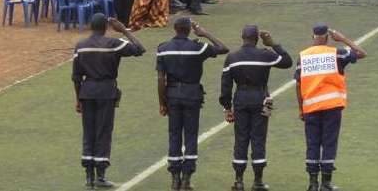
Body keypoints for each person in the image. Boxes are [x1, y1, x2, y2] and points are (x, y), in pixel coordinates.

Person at [72, 14, 146, 189]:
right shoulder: (113, 44)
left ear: (91, 26)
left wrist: (78, 99)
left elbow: (76, 77)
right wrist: (124, 31)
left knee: (88, 132)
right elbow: (140, 49)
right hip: (106, 92)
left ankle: (89, 178)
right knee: (103, 132)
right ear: (106, 28)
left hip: (87, 92)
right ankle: (101, 176)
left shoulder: (80, 46)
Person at [157, 17, 229, 190]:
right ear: (190, 30)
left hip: (172, 95)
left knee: (174, 135)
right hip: (192, 95)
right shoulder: (198, 47)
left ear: (174, 28)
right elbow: (223, 49)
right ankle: (187, 178)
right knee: (191, 135)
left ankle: (175, 179)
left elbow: (160, 79)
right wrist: (205, 34)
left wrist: (162, 102)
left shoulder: (163, 49)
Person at [220, 25, 293, 191]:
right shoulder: (265, 55)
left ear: (242, 37)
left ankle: (238, 181)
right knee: (258, 138)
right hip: (259, 98)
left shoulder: (232, 57)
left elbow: (225, 85)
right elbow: (287, 62)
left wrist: (227, 107)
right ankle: (258, 181)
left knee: (241, 139)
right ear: (257, 38)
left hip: (240, 98)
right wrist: (274, 44)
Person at [295, 24, 367, 191]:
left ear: (312, 36)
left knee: (312, 143)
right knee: (329, 143)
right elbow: (361, 53)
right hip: (332, 106)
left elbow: (298, 85)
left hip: (311, 107)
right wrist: (342, 39)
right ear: (327, 37)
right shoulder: (337, 53)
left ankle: (312, 183)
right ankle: (326, 183)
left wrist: (301, 109)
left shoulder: (303, 56)